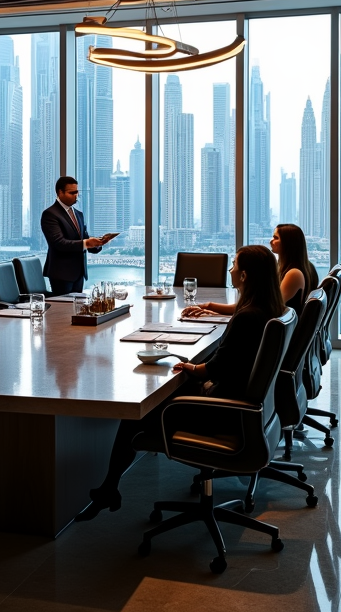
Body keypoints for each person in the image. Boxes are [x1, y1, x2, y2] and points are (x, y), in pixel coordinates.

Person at [76, 244, 285, 520]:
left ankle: (109, 489)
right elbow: (225, 364)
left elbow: (212, 370)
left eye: (234, 265)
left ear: (245, 276)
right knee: (165, 392)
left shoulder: (246, 317)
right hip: (243, 406)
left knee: (136, 417)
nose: (230, 270)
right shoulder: (269, 309)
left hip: (225, 413)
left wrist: (189, 366)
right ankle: (108, 489)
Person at [183, 223, 317, 318]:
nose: (271, 241)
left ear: (288, 243)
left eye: (276, 238)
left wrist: (210, 309)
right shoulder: (290, 268)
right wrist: (210, 308)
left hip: (279, 337)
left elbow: (268, 307)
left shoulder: (294, 273)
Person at [40, 176, 113, 294]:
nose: (76, 195)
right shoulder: (50, 214)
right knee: (63, 311)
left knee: (77, 310)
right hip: (61, 274)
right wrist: (86, 243)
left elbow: (84, 239)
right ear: (60, 192)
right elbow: (59, 243)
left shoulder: (78, 214)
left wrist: (98, 243)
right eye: (72, 192)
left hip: (79, 273)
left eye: (77, 192)